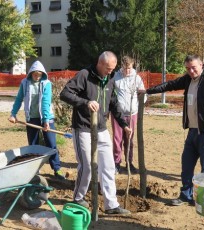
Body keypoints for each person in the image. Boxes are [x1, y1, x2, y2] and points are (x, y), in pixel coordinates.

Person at [146, 55, 204, 206]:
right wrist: (148, 91)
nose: (191, 71)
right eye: (188, 68)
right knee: (186, 164)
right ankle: (185, 196)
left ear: (201, 65)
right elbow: (170, 85)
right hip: (192, 131)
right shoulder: (188, 79)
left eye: (193, 67)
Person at [60, 51, 131, 215]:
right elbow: (65, 93)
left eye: (113, 69)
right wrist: (86, 102)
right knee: (87, 166)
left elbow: (113, 103)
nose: (110, 72)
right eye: (108, 68)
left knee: (108, 166)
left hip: (101, 128)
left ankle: (111, 205)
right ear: (99, 63)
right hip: (83, 127)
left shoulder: (110, 79)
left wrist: (124, 124)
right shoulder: (84, 75)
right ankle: (78, 197)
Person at [8, 60, 65, 180]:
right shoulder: (25, 83)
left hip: (47, 118)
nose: (37, 77)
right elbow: (19, 99)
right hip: (32, 118)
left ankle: (57, 169)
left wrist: (45, 120)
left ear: (43, 74)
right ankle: (35, 170)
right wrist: (13, 114)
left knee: (51, 143)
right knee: (33, 145)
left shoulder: (47, 83)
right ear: (31, 73)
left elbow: (45, 102)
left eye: (39, 75)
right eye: (35, 75)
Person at [111, 55, 145, 174]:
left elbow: (142, 94)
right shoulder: (115, 76)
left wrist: (139, 103)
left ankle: (129, 162)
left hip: (132, 114)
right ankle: (116, 163)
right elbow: (110, 91)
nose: (127, 71)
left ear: (132, 66)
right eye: (125, 68)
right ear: (121, 66)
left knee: (129, 138)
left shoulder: (137, 78)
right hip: (118, 114)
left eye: (129, 68)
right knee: (117, 139)